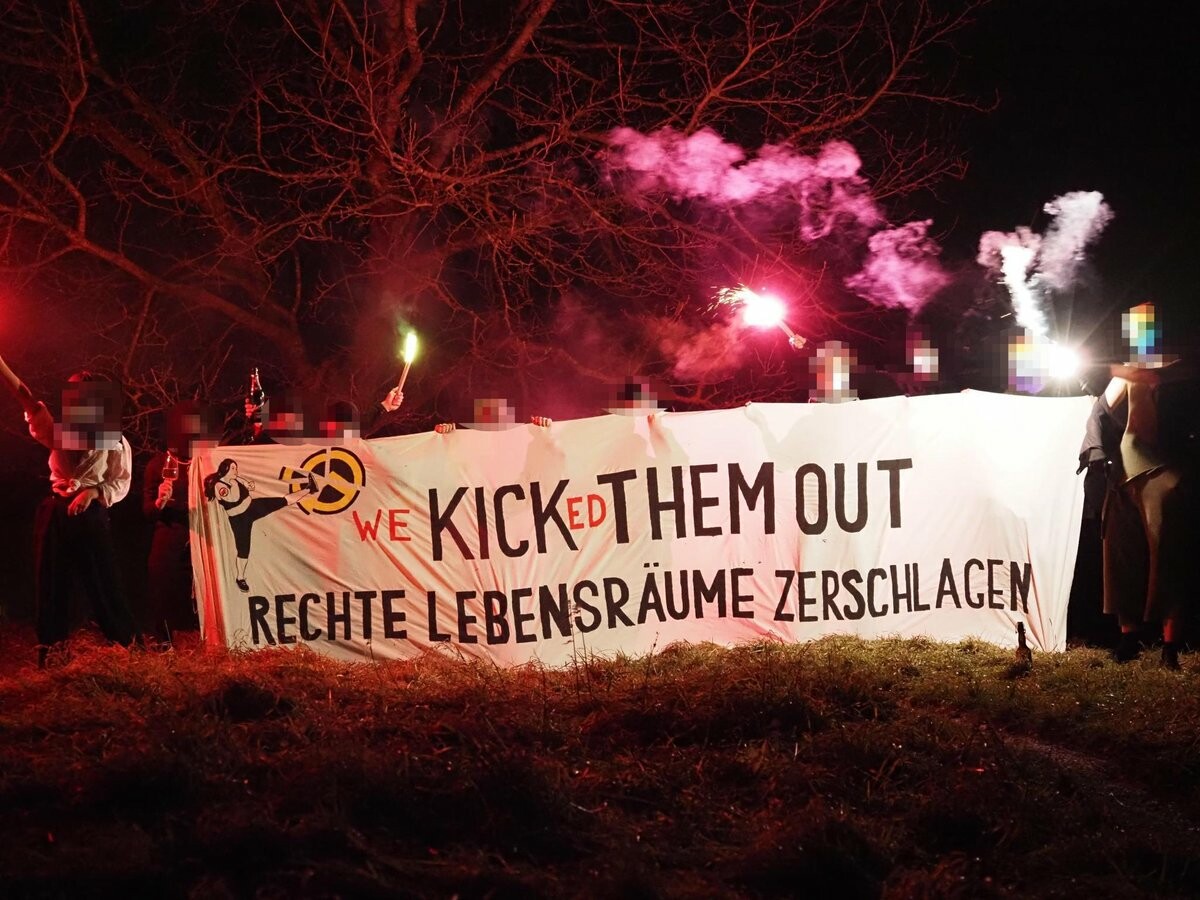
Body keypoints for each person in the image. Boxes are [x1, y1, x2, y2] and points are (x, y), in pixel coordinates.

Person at [24, 371, 140, 666]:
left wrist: (92, 492)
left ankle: (128, 648)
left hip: (90, 515)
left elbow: (121, 482)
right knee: (52, 584)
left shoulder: (113, 440)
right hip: (56, 512)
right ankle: (53, 654)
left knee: (103, 581)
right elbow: (33, 409)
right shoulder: (60, 432)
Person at [1101, 358, 1196, 667]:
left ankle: (1170, 646)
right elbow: (1100, 409)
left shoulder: (1179, 369)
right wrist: (1094, 447)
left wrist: (1132, 372)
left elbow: (1166, 378)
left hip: (1163, 473)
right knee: (1121, 555)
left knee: (1166, 558)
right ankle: (1129, 638)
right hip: (1123, 477)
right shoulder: (1128, 370)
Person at [202, 458, 317, 592]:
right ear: (225, 469)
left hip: (252, 507)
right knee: (243, 549)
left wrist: (246, 484)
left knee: (281, 501)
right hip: (240, 519)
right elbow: (233, 498)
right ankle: (240, 578)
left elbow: (248, 486)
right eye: (233, 468)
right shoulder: (220, 485)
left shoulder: (234, 479)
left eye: (236, 468)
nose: (236, 471)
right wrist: (235, 483)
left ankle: (309, 489)